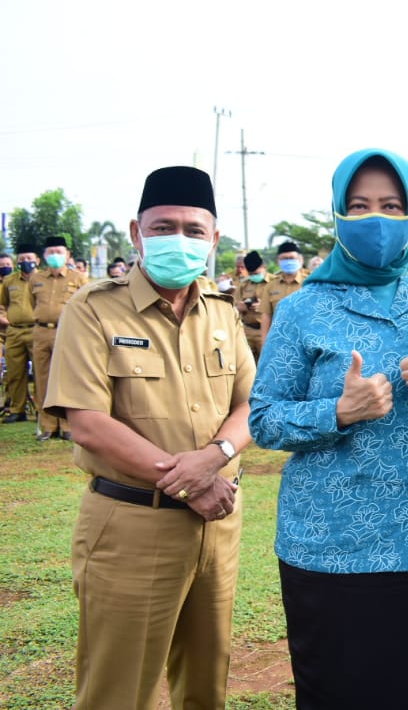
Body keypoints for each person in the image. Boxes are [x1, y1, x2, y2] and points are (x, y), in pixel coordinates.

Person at [250, 149, 408, 709]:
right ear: (338, 213)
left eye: (392, 205)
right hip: (331, 544)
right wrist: (337, 412)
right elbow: (263, 417)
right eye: (361, 205)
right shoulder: (303, 308)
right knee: (337, 690)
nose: (377, 218)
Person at [43, 165, 252, 709]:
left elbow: (250, 405)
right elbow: (88, 423)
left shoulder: (223, 314)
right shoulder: (92, 309)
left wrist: (216, 457)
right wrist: (191, 482)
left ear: (213, 239)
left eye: (192, 229)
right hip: (132, 526)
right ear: (136, 233)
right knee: (118, 689)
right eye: (162, 228)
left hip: (216, 526)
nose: (177, 240)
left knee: (207, 684)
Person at [30, 235, 88, 439]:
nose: (55, 256)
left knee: (65, 378)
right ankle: (48, 426)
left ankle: (67, 426)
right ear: (44, 256)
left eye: (59, 252)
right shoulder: (36, 279)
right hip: (40, 332)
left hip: (67, 331)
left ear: (67, 255)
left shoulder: (78, 278)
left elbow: (86, 305)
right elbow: (32, 304)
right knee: (42, 377)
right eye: (51, 252)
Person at [1, 245, 39, 422]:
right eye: (22, 259)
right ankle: (17, 409)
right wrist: (6, 319)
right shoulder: (9, 281)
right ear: (17, 261)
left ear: (37, 260)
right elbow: (2, 305)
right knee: (15, 373)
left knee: (41, 372)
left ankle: (43, 410)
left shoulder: (44, 280)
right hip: (14, 332)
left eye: (29, 259)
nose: (26, 262)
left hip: (37, 330)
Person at [259, 240, 308, 340]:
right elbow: (266, 316)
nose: (288, 261)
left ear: (300, 260)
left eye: (291, 258)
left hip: (305, 337)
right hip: (278, 338)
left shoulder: (310, 283)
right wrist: (265, 343)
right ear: (278, 261)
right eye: (284, 258)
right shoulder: (270, 286)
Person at [234, 251, 272, 359]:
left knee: (267, 363)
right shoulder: (244, 285)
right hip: (247, 331)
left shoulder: (275, 283)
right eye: (250, 274)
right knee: (245, 363)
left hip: (267, 331)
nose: (253, 276)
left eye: (256, 273)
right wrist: (239, 308)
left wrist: (264, 306)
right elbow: (232, 306)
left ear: (263, 267)